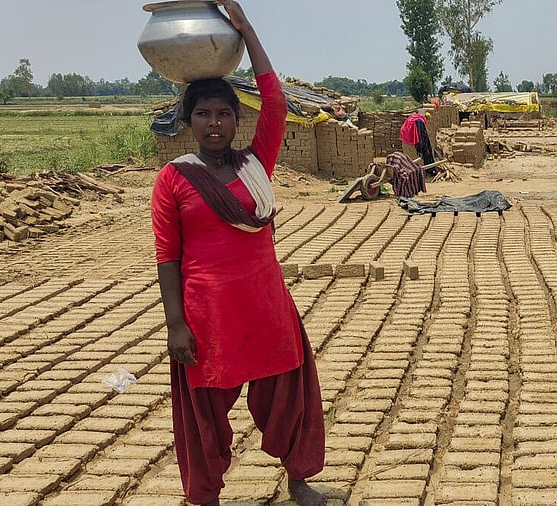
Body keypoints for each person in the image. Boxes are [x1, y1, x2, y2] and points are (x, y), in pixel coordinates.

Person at [149, 2, 326, 505]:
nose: (213, 123)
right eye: (202, 113)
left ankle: (298, 478)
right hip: (208, 317)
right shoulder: (174, 179)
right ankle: (205, 494)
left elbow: (275, 103)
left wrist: (246, 30)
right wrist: (175, 324)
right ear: (187, 121)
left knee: (287, 398)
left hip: (266, 305)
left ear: (235, 120)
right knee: (204, 412)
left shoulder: (256, 164)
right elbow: (167, 257)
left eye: (223, 113)